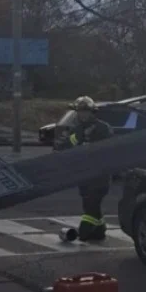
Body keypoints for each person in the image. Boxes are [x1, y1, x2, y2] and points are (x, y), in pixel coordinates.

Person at [63, 96, 113, 241]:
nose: (82, 115)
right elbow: (67, 147)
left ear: (92, 112)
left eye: (85, 112)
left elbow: (109, 149)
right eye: (80, 112)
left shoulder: (103, 128)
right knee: (89, 204)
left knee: (92, 203)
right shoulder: (76, 129)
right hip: (83, 175)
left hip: (100, 175)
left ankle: (85, 231)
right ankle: (99, 230)